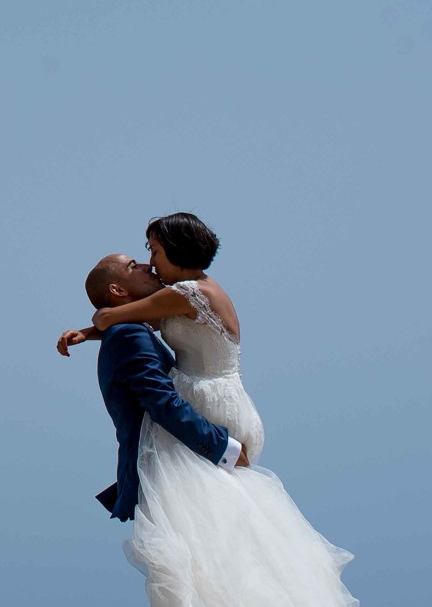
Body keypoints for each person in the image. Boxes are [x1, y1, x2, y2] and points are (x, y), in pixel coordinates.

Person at [56, 213, 356, 606]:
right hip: (220, 405)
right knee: (227, 536)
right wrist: (93, 332)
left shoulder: (183, 294)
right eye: (141, 259)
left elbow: (115, 315)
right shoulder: (188, 293)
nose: (149, 262)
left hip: (212, 407)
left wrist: (95, 324)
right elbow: (133, 319)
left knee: (200, 540)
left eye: (154, 251)